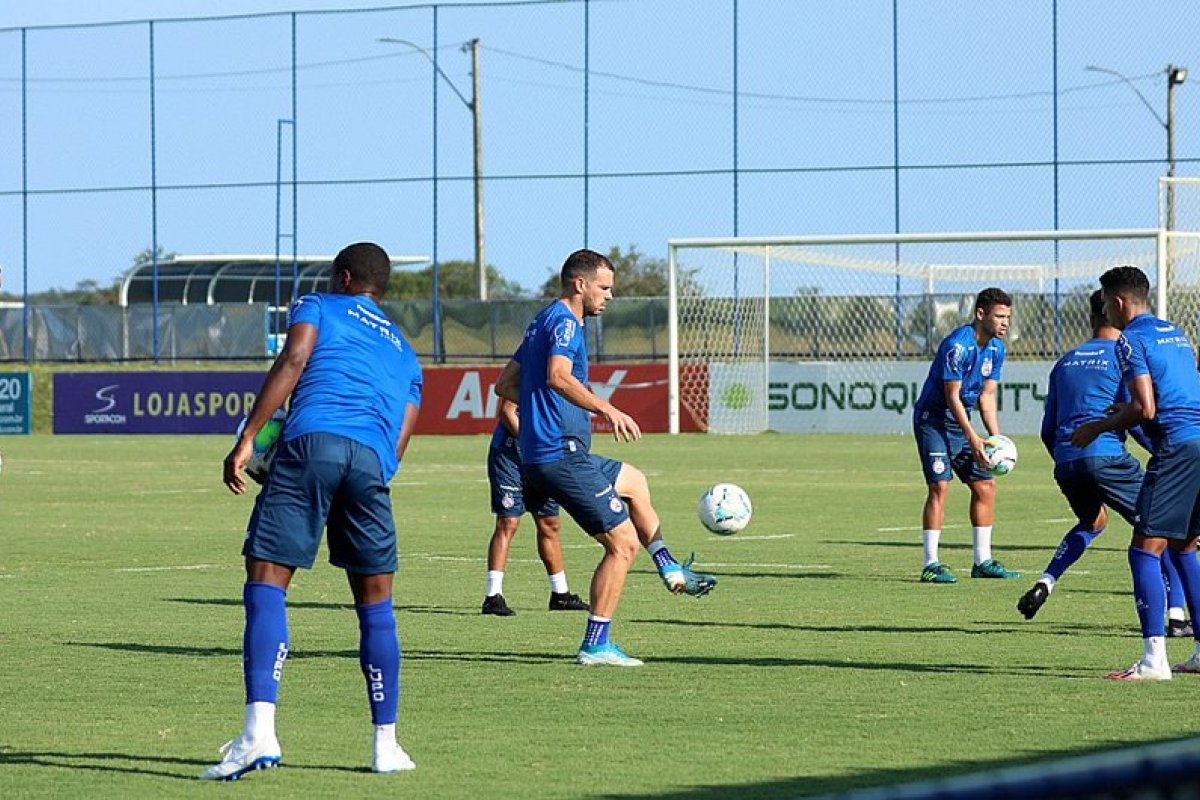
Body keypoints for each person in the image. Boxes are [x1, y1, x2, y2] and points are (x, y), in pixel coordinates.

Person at [202, 242, 423, 779]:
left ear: (344, 278)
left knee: (268, 581)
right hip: (371, 461)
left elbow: (295, 358)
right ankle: (386, 746)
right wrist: (368, 475)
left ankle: (259, 734)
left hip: (312, 443)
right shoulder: (406, 352)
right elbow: (401, 437)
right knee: (376, 605)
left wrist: (249, 437)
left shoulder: (319, 305)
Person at [495, 248, 716, 667]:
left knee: (634, 481)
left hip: (553, 452)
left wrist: (540, 408)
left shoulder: (542, 320)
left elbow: (504, 385)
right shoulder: (563, 322)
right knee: (623, 545)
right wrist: (605, 409)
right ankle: (596, 644)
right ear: (580, 285)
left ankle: (669, 567)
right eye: (604, 287)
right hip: (560, 453)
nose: (609, 296)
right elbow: (557, 375)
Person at [1017, 289, 1193, 636]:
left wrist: (1072, 461)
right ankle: (1176, 617)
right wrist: (1158, 453)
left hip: (1067, 462)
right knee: (1165, 529)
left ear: (1090, 318)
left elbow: (1047, 430)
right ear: (1115, 311)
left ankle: (1046, 581)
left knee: (1093, 521)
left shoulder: (1064, 362)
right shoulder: (1125, 352)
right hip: (1108, 457)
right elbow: (1138, 414)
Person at [1071, 265, 1200, 680]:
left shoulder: (1130, 340)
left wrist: (1098, 427)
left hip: (1178, 446)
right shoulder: (1174, 332)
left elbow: (1145, 407)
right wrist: (1126, 414)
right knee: (1184, 548)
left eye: (1106, 300)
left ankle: (1153, 661)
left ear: (1120, 301)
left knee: (1144, 549)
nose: (1104, 308)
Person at [912, 287, 1019, 583]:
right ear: (980, 314)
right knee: (940, 488)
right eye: (999, 316)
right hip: (933, 422)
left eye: (1008, 317)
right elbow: (952, 397)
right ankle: (931, 564)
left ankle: (982, 561)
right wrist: (973, 438)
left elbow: (986, 397)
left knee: (986, 487)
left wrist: (996, 440)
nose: (1005, 322)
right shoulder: (957, 346)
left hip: (962, 424)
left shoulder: (997, 349)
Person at [482, 397, 590, 616]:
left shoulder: (563, 379)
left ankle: (560, 595)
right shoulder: (528, 371)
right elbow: (506, 411)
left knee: (549, 523)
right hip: (510, 455)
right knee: (508, 522)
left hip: (542, 459)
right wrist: (534, 443)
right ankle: (493, 597)